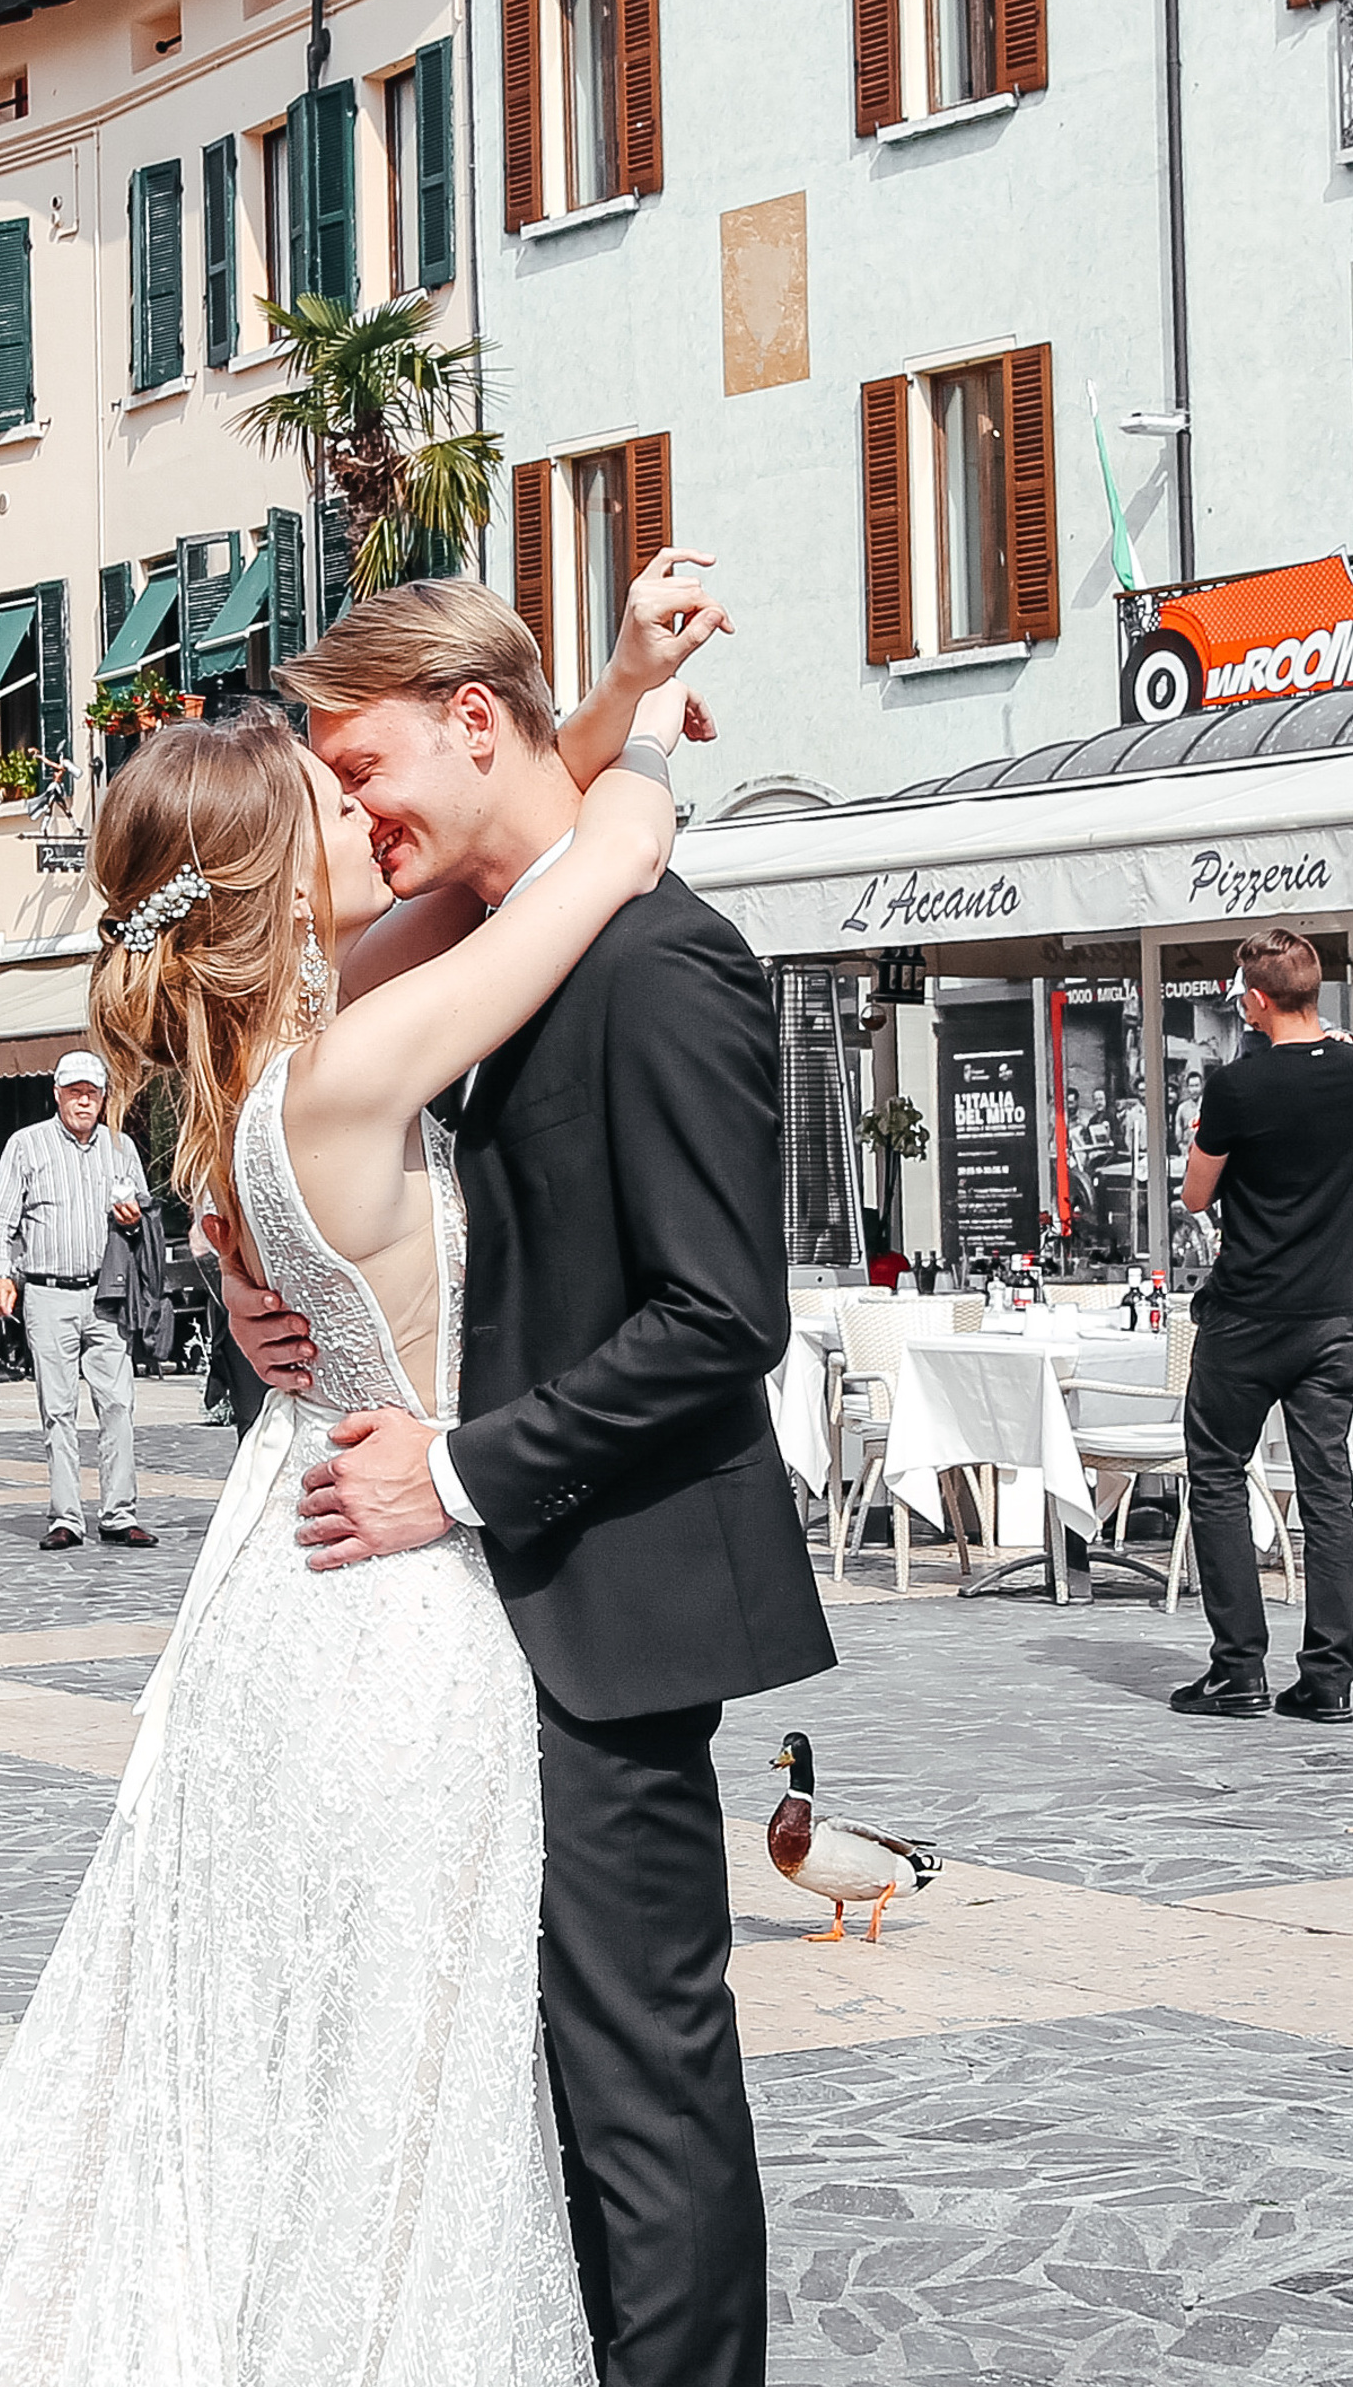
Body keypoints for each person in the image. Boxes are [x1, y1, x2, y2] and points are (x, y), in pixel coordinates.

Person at [0, 577, 709, 2387]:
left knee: (293, 2054)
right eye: (332, 806)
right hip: (393, 1619)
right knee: (399, 2078)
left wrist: (607, 694)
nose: (370, 814)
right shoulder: (358, 1051)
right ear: (281, 882)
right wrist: (639, 794)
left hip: (283, 1609)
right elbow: (573, 874)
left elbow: (486, 852)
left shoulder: (263, 1069)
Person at [229, 567, 836, 2387]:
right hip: (484, 1624)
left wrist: (461, 1474)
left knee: (638, 2086)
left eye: (366, 762)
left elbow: (722, 1320)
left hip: (610, 1609)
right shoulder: (510, 951)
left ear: (471, 716)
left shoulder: (660, 964)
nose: (359, 808)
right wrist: (285, 1318)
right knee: (533, 2084)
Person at [1172, 926, 1353, 1726]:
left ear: (1255, 1000)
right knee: (1327, 1490)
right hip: (1333, 1313)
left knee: (1219, 1474)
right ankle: (1329, 1678)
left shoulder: (1236, 1086)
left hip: (1250, 1313)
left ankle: (1239, 1671)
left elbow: (1195, 1195)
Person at [0, 1052, 156, 1552]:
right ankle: (67, 1518)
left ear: (104, 1098)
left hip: (107, 1295)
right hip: (47, 1292)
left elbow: (144, 1215)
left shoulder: (121, 1149)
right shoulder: (26, 1145)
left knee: (118, 1403)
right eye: (74, 1090)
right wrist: (0, 1275)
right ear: (56, 1094)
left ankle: (119, 1513)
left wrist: (133, 1220)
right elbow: (2, 1219)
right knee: (58, 1410)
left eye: (93, 1092)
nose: (84, 1100)